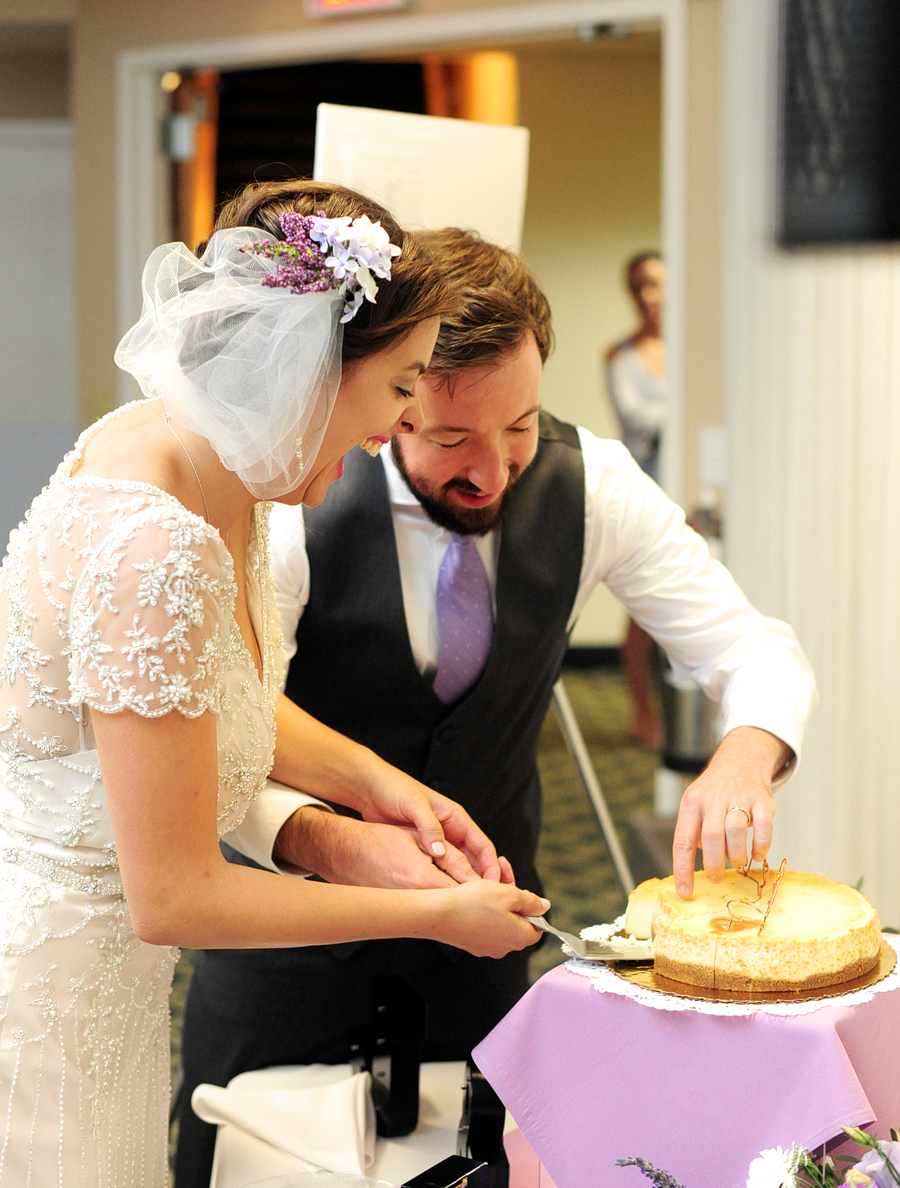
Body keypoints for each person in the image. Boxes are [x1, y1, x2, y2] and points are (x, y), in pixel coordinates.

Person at [175, 228, 816, 1188]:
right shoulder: (290, 504)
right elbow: (229, 732)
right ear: (390, 399)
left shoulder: (592, 481)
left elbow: (753, 646)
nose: (495, 469)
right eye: (450, 439)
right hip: (285, 958)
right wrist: (328, 839)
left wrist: (742, 756)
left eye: (519, 424)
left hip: (483, 962)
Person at [0, 185, 548, 1188]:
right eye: (400, 387)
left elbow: (208, 697)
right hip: (49, 1009)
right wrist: (427, 915)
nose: (400, 427)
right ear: (308, 369)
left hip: (109, 999)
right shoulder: (152, 543)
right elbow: (174, 895)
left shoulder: (222, 474)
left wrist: (384, 787)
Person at [605, 251, 667, 746]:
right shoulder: (620, 357)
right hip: (649, 488)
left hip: (691, 491)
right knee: (642, 611)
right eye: (641, 286)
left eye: (659, 284)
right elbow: (637, 422)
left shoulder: (696, 349)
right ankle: (643, 712)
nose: (651, 296)